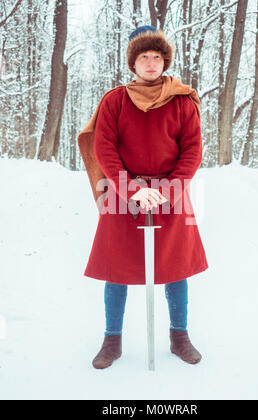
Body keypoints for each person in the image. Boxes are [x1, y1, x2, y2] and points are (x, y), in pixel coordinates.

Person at [77, 25, 208, 369]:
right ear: (133, 63)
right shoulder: (115, 101)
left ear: (165, 61)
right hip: (122, 193)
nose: (150, 63)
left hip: (171, 194)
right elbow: (104, 148)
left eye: (156, 57)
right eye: (143, 57)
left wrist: (169, 189)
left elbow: (193, 149)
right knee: (116, 269)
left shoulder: (182, 101)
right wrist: (133, 189)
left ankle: (179, 337)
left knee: (176, 267)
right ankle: (111, 341)